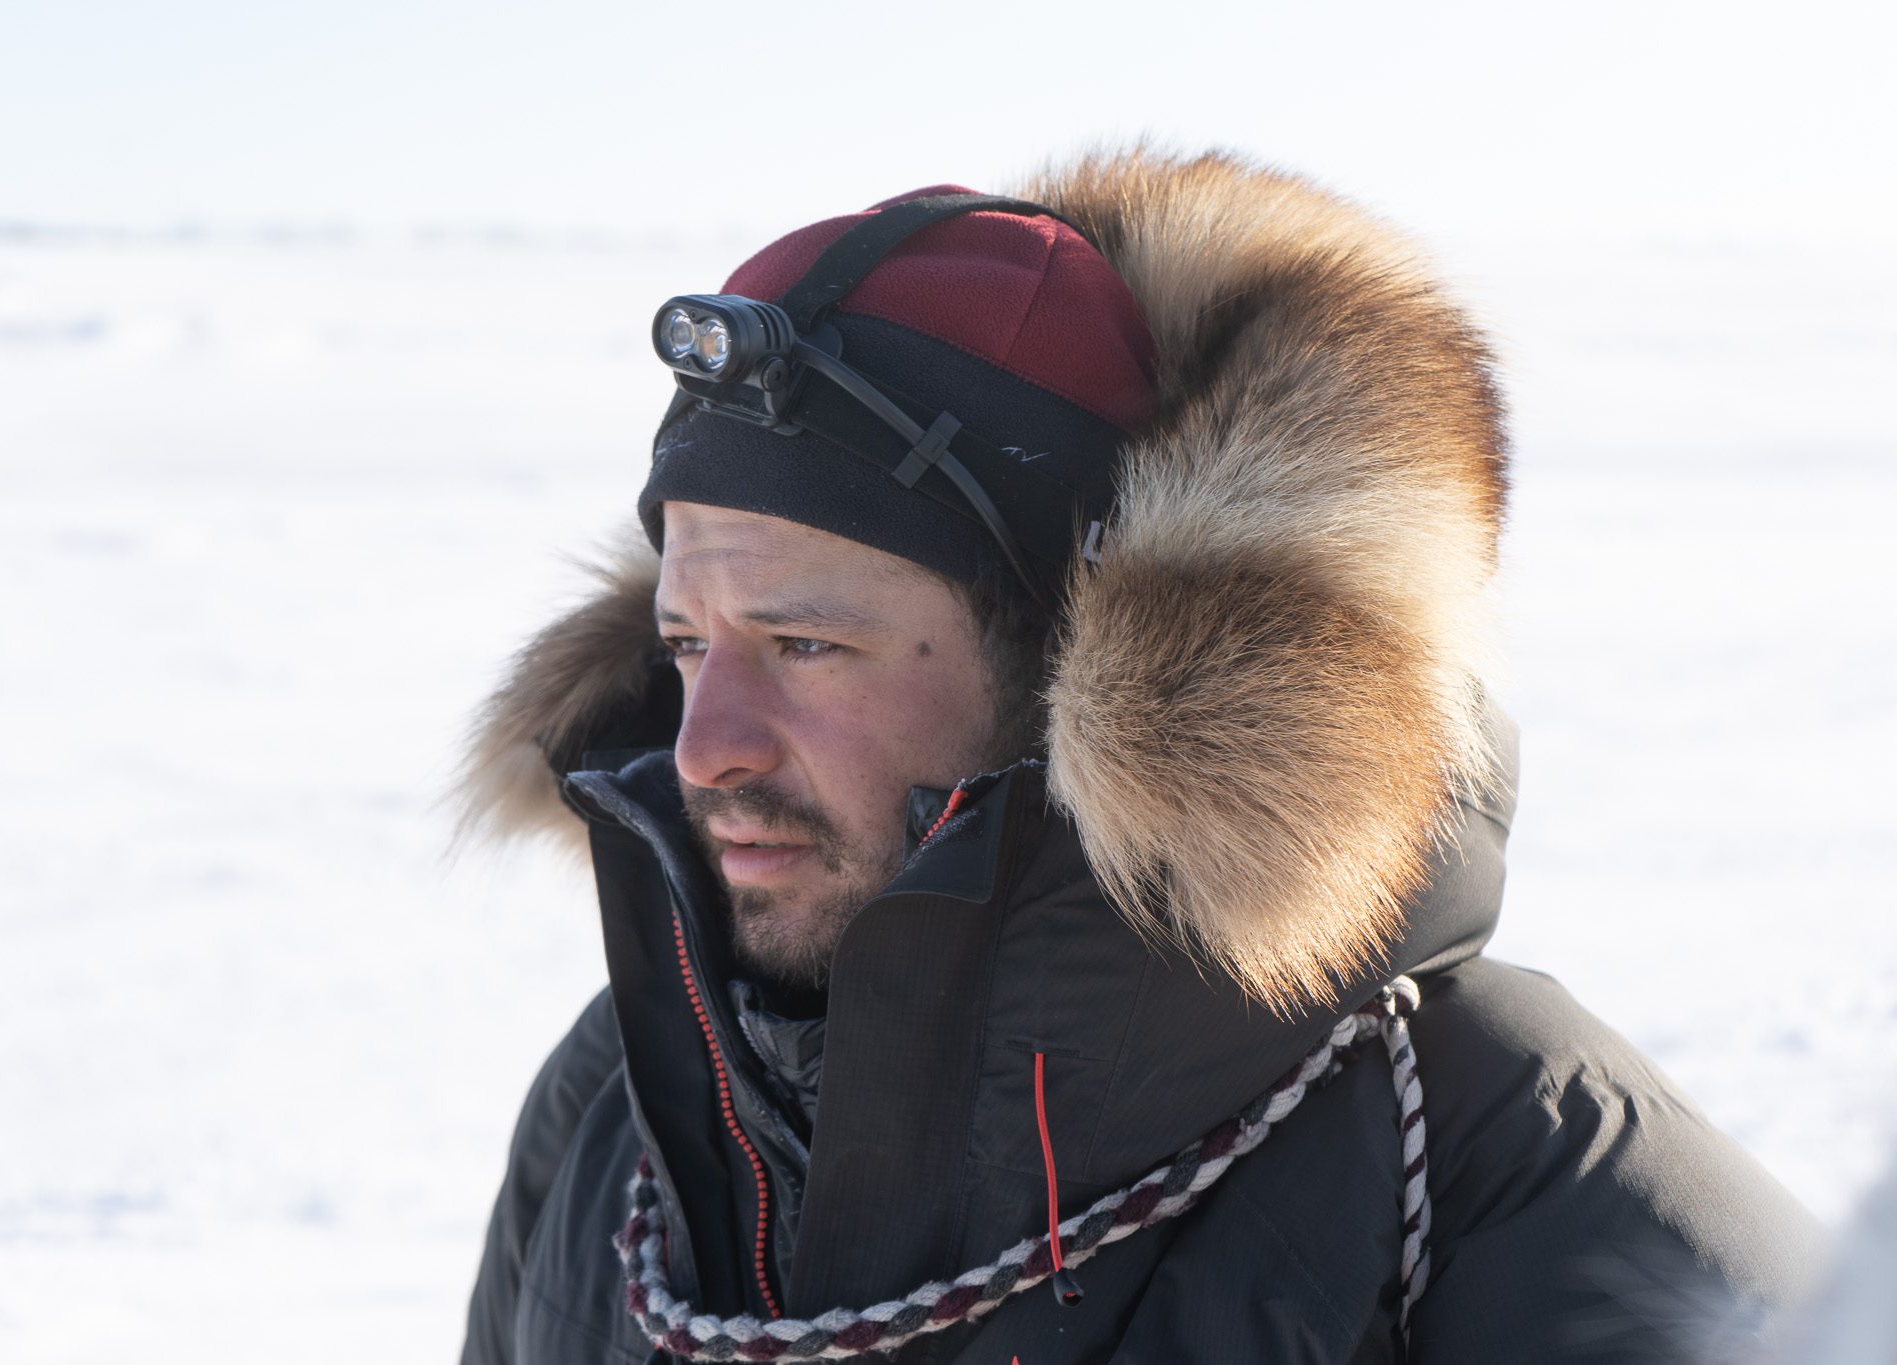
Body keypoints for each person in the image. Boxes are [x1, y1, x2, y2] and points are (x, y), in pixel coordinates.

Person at [453, 147, 1821, 1364]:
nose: (707, 747)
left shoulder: (1495, 1164)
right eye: (687, 642)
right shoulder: (627, 1108)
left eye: (806, 645)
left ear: (1073, 666)